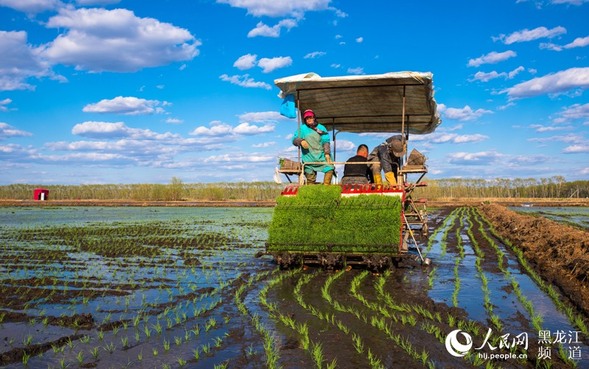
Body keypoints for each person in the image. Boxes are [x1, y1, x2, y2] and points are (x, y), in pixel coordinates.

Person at [292, 109, 335, 184]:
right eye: (307, 118)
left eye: (310, 117)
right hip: (308, 159)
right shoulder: (302, 129)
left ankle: (326, 189)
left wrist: (327, 153)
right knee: (311, 181)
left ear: (314, 117)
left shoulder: (321, 128)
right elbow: (294, 139)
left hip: (322, 157)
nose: (309, 119)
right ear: (305, 120)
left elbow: (326, 141)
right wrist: (300, 141)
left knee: (330, 169)